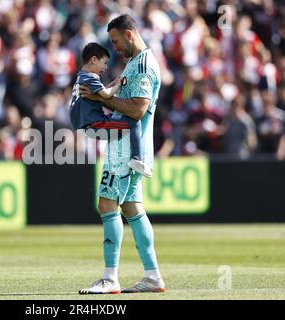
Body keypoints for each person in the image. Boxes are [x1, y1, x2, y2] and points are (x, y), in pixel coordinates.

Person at [78, 14, 165, 294]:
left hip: (125, 149)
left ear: (129, 35)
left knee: (106, 205)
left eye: (116, 41)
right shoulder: (133, 64)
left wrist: (100, 98)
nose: (113, 48)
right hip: (127, 147)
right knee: (131, 208)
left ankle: (109, 278)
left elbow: (138, 109)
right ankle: (152, 275)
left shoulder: (142, 65)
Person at [70, 42, 152, 177]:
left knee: (121, 122)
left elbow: (101, 93)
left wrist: (113, 83)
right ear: (94, 60)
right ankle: (137, 159)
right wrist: (119, 84)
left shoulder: (81, 77)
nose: (106, 67)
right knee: (134, 121)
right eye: (104, 63)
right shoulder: (90, 78)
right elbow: (107, 95)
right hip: (96, 124)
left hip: (88, 126)